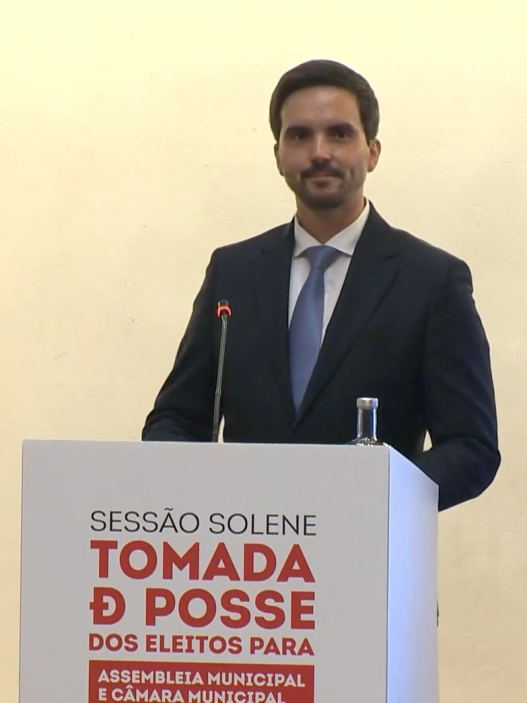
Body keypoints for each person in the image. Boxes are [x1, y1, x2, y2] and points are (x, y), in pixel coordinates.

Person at [142, 59, 500, 511]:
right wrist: (206, 492)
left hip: (365, 540)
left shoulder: (430, 280)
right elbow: (176, 418)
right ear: (278, 156)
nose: (319, 152)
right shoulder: (232, 272)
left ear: (373, 151)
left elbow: (471, 447)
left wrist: (366, 500)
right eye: (299, 136)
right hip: (245, 543)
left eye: (339, 134)